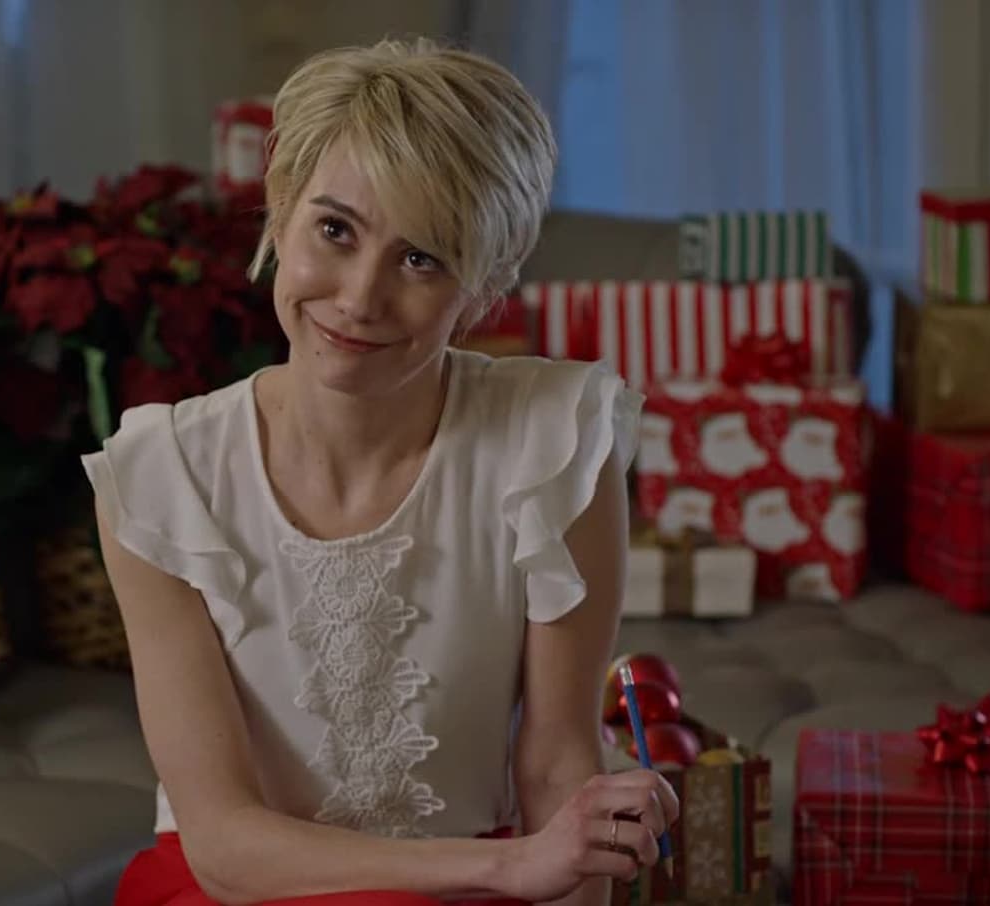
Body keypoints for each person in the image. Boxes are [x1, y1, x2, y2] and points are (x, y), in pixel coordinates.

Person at [83, 37, 678, 906]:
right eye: (335, 230)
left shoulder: (556, 445)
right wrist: (511, 867)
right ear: (280, 211)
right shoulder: (160, 481)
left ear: (483, 286)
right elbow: (223, 845)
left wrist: (542, 867)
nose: (360, 297)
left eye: (421, 258)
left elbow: (559, 767)